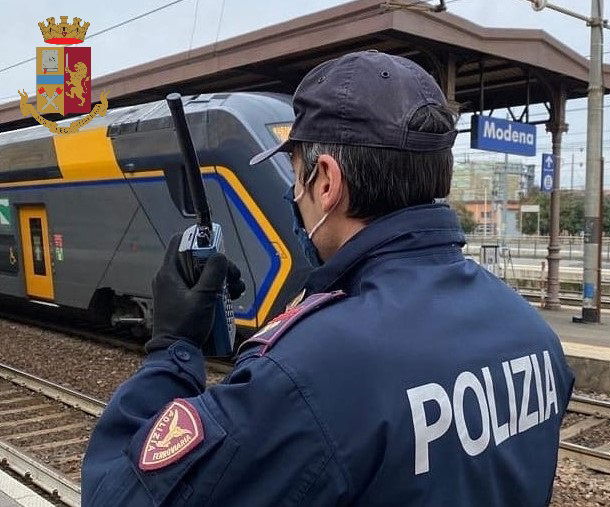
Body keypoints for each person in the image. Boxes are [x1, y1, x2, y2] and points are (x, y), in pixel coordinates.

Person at [82, 50, 574, 506]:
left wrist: (172, 349)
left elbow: (117, 495)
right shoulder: (532, 333)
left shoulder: (306, 374)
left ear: (326, 181)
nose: (295, 195)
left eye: (296, 176)